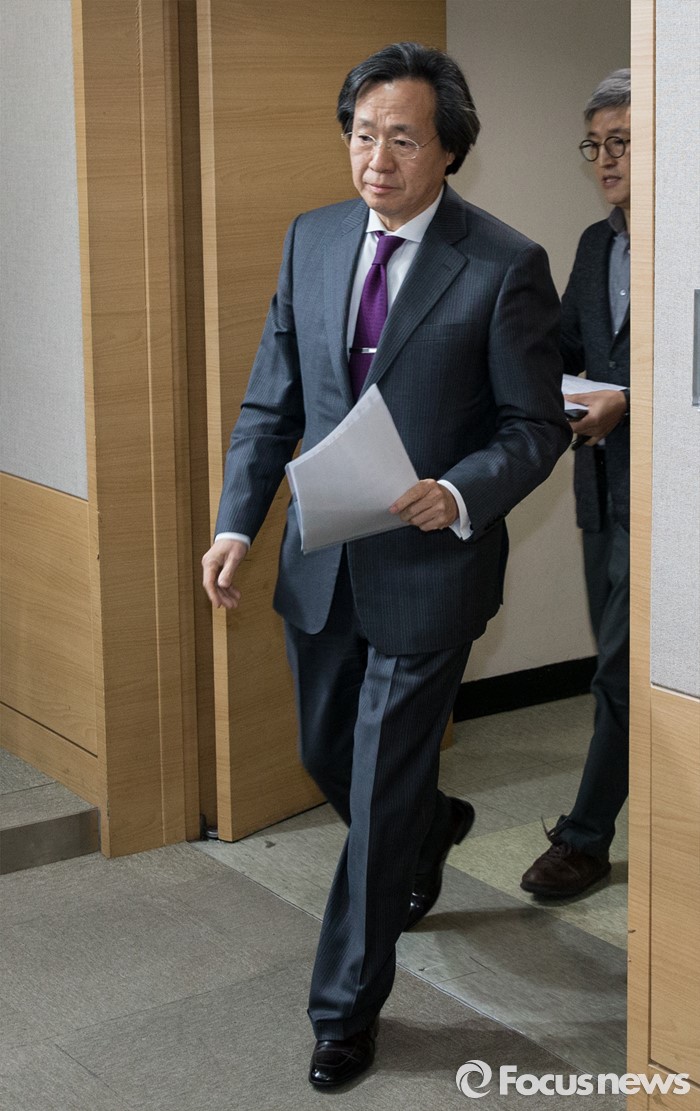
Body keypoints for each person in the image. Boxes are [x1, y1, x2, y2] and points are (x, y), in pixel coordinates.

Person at [202, 42, 570, 1088]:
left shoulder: (503, 264)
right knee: (332, 756)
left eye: (402, 139)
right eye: (363, 135)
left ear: (449, 148)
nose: (376, 159)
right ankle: (430, 824)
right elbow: (272, 399)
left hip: (430, 571)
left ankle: (343, 1009)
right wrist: (236, 522)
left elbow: (535, 425)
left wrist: (458, 489)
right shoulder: (312, 239)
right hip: (321, 562)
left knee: (375, 789)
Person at [521, 70, 631, 900]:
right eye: (594, 146)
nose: (606, 160)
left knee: (619, 673)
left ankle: (586, 837)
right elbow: (563, 349)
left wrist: (629, 399)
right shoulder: (597, 245)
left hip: (672, 504)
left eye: (622, 142)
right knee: (618, 666)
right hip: (600, 488)